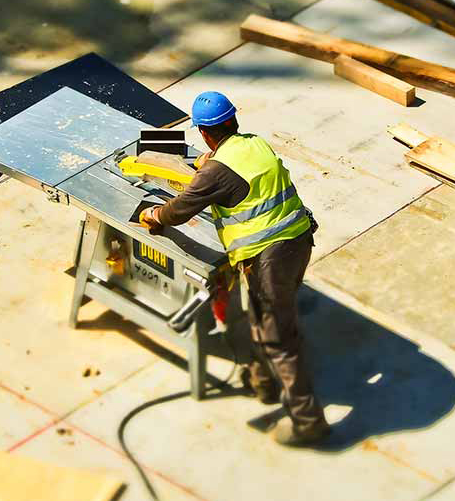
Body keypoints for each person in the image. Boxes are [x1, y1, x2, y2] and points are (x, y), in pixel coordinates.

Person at [140, 91, 330, 446]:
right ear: (233, 121)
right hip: (299, 240)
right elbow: (239, 174)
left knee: (278, 337)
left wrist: (154, 214)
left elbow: (179, 211)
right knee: (264, 317)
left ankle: (308, 421)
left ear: (204, 133)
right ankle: (264, 383)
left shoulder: (215, 171)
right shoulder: (253, 145)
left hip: (268, 256)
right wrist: (212, 163)